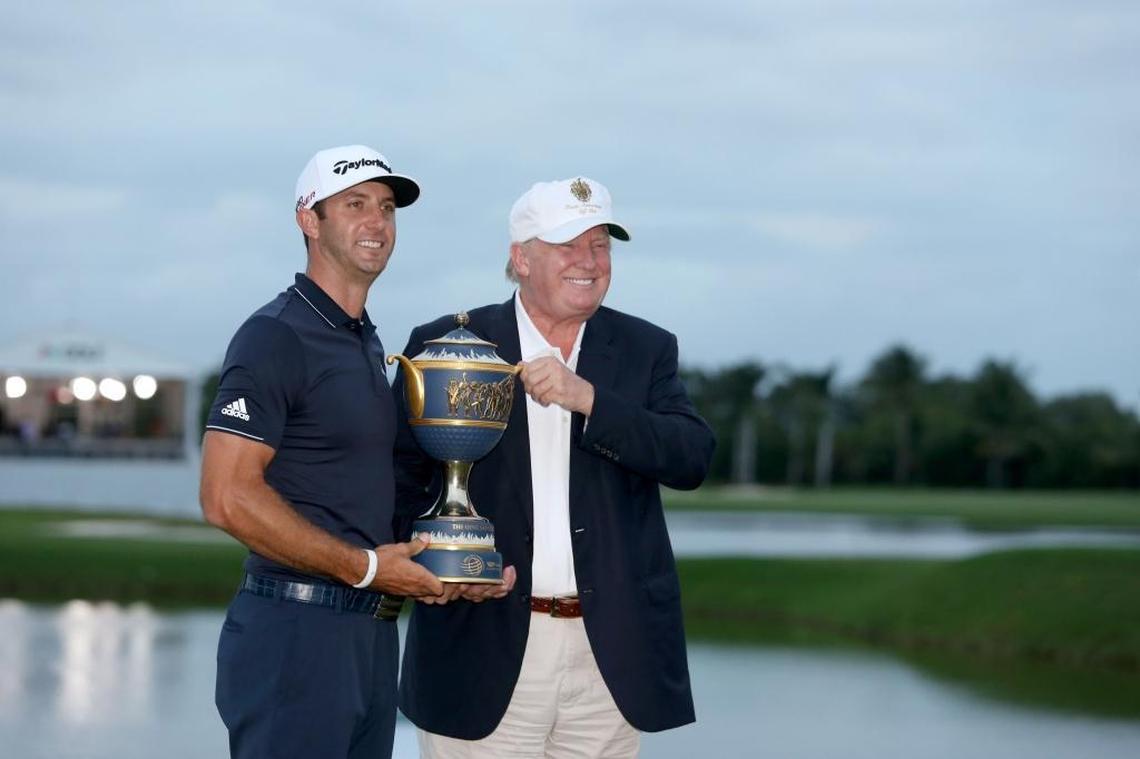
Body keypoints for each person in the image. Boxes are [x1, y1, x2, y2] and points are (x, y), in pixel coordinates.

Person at [393, 176, 716, 757]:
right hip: (479, 646)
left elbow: (691, 456)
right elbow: (398, 478)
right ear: (520, 258)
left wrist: (591, 400)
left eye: (600, 245)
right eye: (568, 244)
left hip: (609, 657)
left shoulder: (646, 348)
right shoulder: (446, 343)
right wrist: (430, 568)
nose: (588, 261)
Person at [200, 144, 445, 759]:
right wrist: (362, 568)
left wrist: (447, 565)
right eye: (355, 205)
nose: (377, 223)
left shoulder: (363, 341)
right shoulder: (275, 334)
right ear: (309, 220)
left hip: (368, 634)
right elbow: (226, 496)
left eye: (387, 208)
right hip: (294, 634)